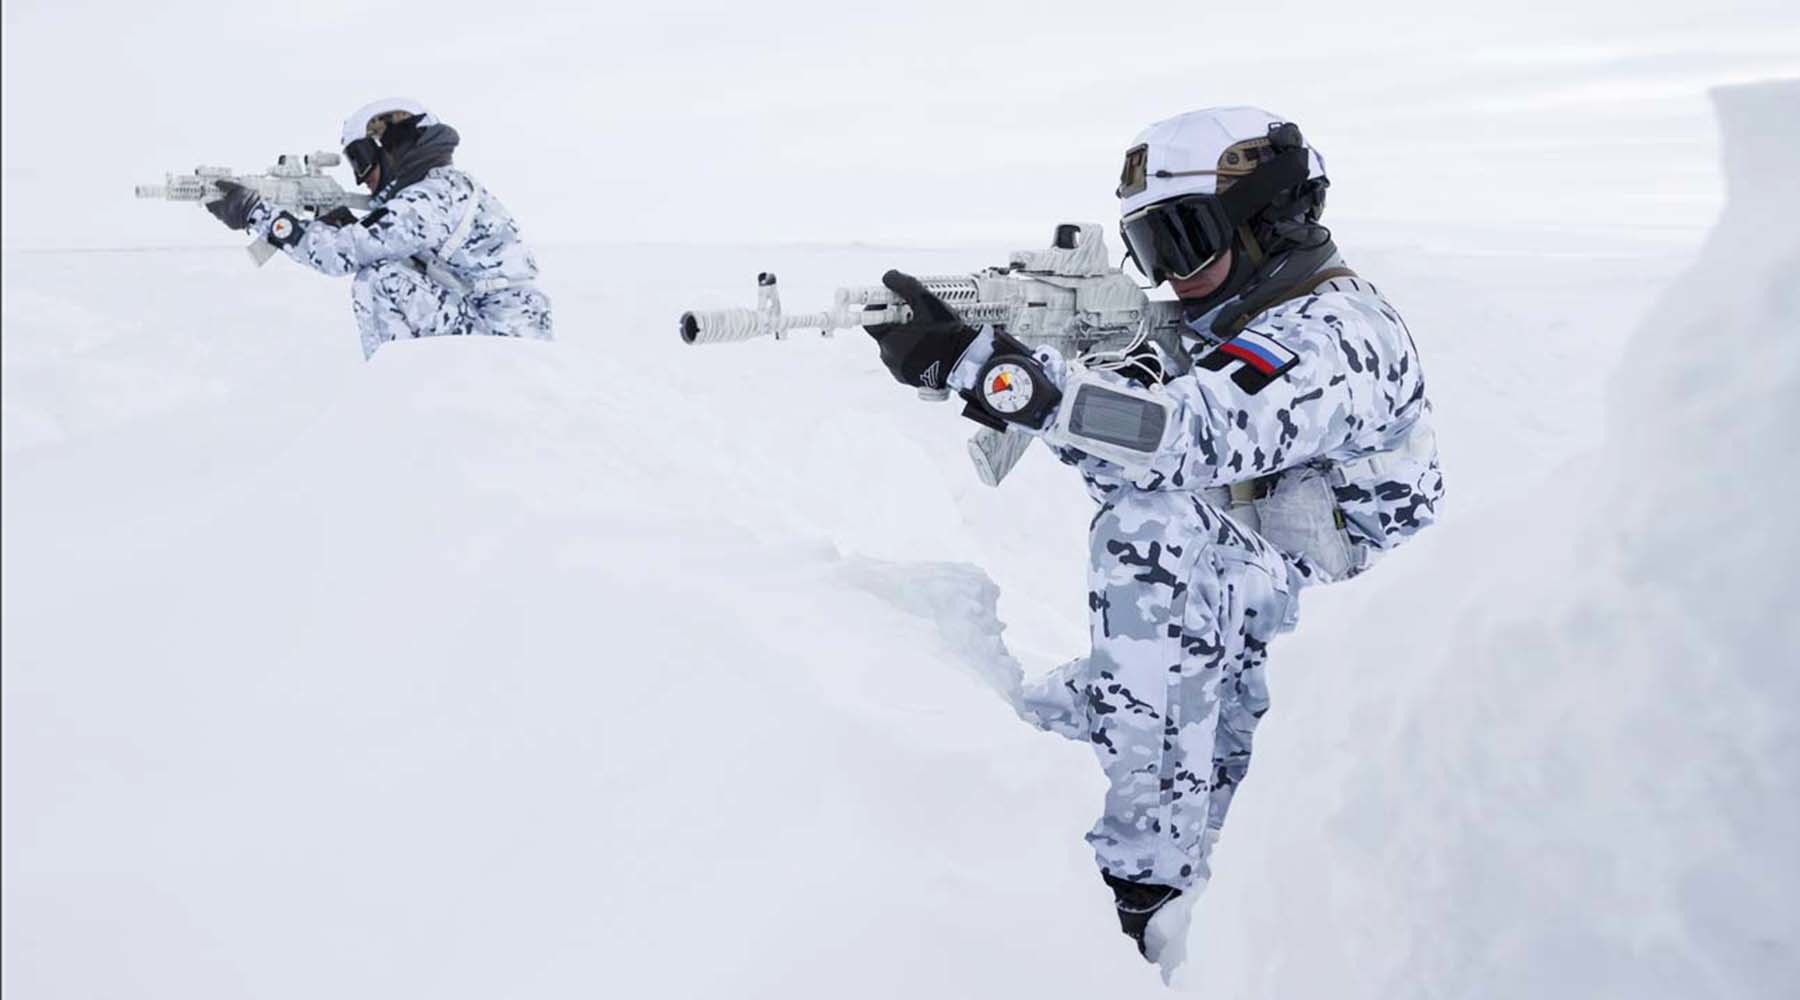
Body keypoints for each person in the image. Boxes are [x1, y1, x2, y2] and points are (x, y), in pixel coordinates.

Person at [863, 107, 1444, 970]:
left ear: (1268, 218)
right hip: (1243, 649)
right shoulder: (1227, 331)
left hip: (1335, 687)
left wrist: (992, 370)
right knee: (1015, 740)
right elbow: (1151, 459)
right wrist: (1099, 367)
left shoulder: (1337, 334)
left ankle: (1151, 890)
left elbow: (1186, 442)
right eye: (1152, 251)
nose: (1175, 279)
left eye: (1186, 241)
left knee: (1150, 528)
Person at [203, 98, 552, 359]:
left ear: (392, 146)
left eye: (361, 159)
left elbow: (339, 257)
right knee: (387, 269)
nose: (362, 179)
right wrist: (338, 222)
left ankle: (396, 395)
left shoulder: (430, 197)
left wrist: (259, 214)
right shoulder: (445, 186)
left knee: (378, 280)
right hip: (502, 328)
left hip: (501, 338)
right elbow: (409, 256)